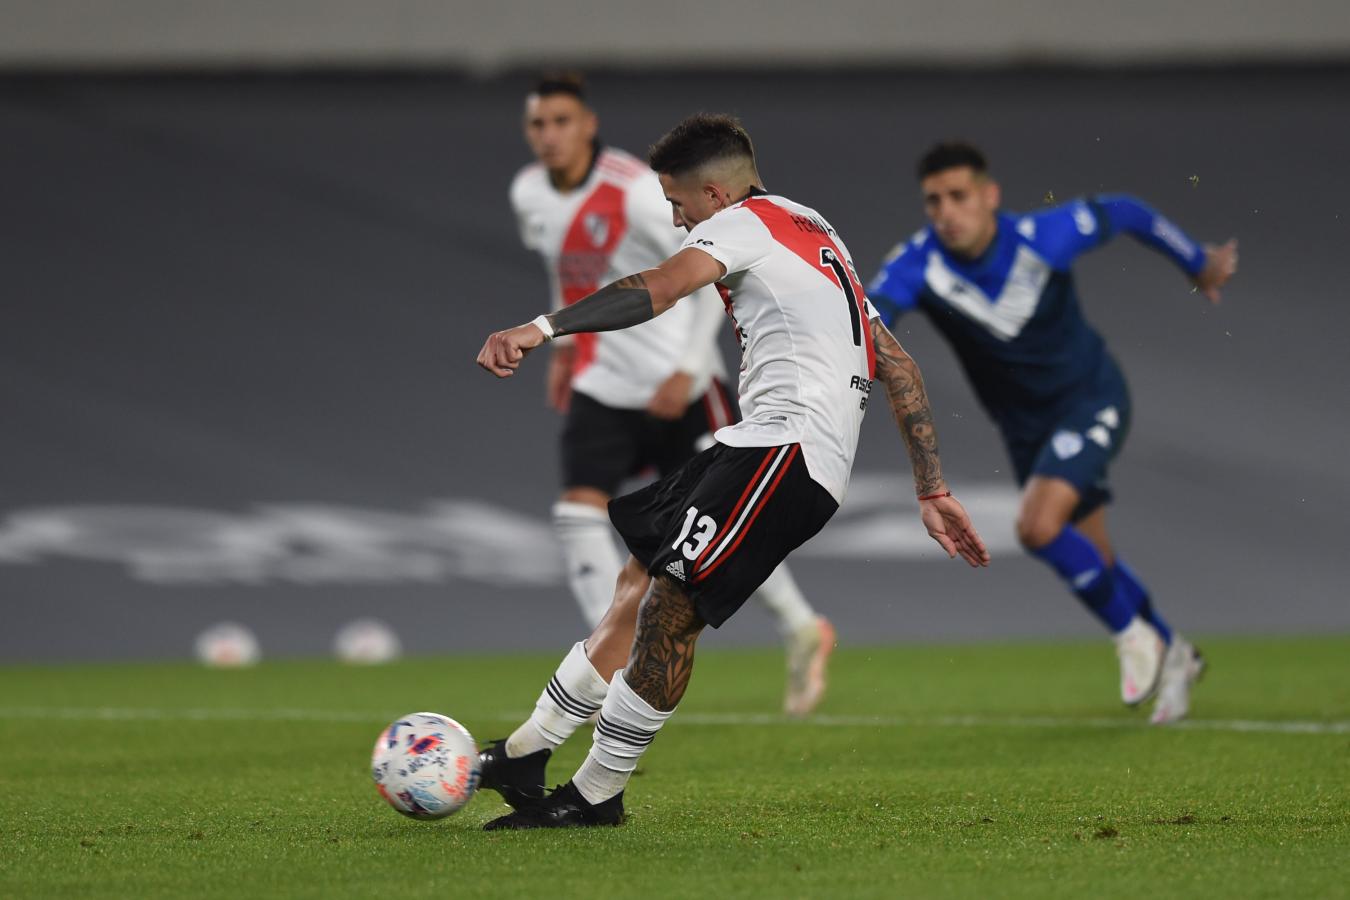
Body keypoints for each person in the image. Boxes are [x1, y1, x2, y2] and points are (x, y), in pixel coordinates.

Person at [475, 113, 990, 829]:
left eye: (678, 203)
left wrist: (542, 328)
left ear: (716, 195)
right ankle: (529, 752)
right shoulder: (811, 228)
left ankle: (596, 794)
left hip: (789, 451)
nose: (674, 217)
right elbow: (897, 364)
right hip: (759, 444)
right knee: (639, 577)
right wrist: (931, 488)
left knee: (671, 608)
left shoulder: (743, 224)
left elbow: (658, 287)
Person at [867, 142, 1238, 724]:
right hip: (1025, 431)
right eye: (933, 201)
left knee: (1038, 527)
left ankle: (1135, 638)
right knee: (1097, 560)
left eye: (959, 196)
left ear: (990, 197)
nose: (946, 212)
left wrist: (1196, 260)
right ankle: (1175, 651)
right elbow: (866, 321)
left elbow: (1125, 210)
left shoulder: (1044, 237)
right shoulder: (919, 264)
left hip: (1091, 398)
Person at [510, 74, 835, 716]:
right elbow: (566, 270)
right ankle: (613, 660)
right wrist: (565, 348)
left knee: (717, 528)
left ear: (587, 125)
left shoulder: (635, 191)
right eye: (538, 124)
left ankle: (801, 626)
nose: (548, 136)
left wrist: (687, 366)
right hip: (604, 385)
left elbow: (705, 269)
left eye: (561, 122)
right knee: (578, 514)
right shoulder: (529, 193)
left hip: (677, 385)